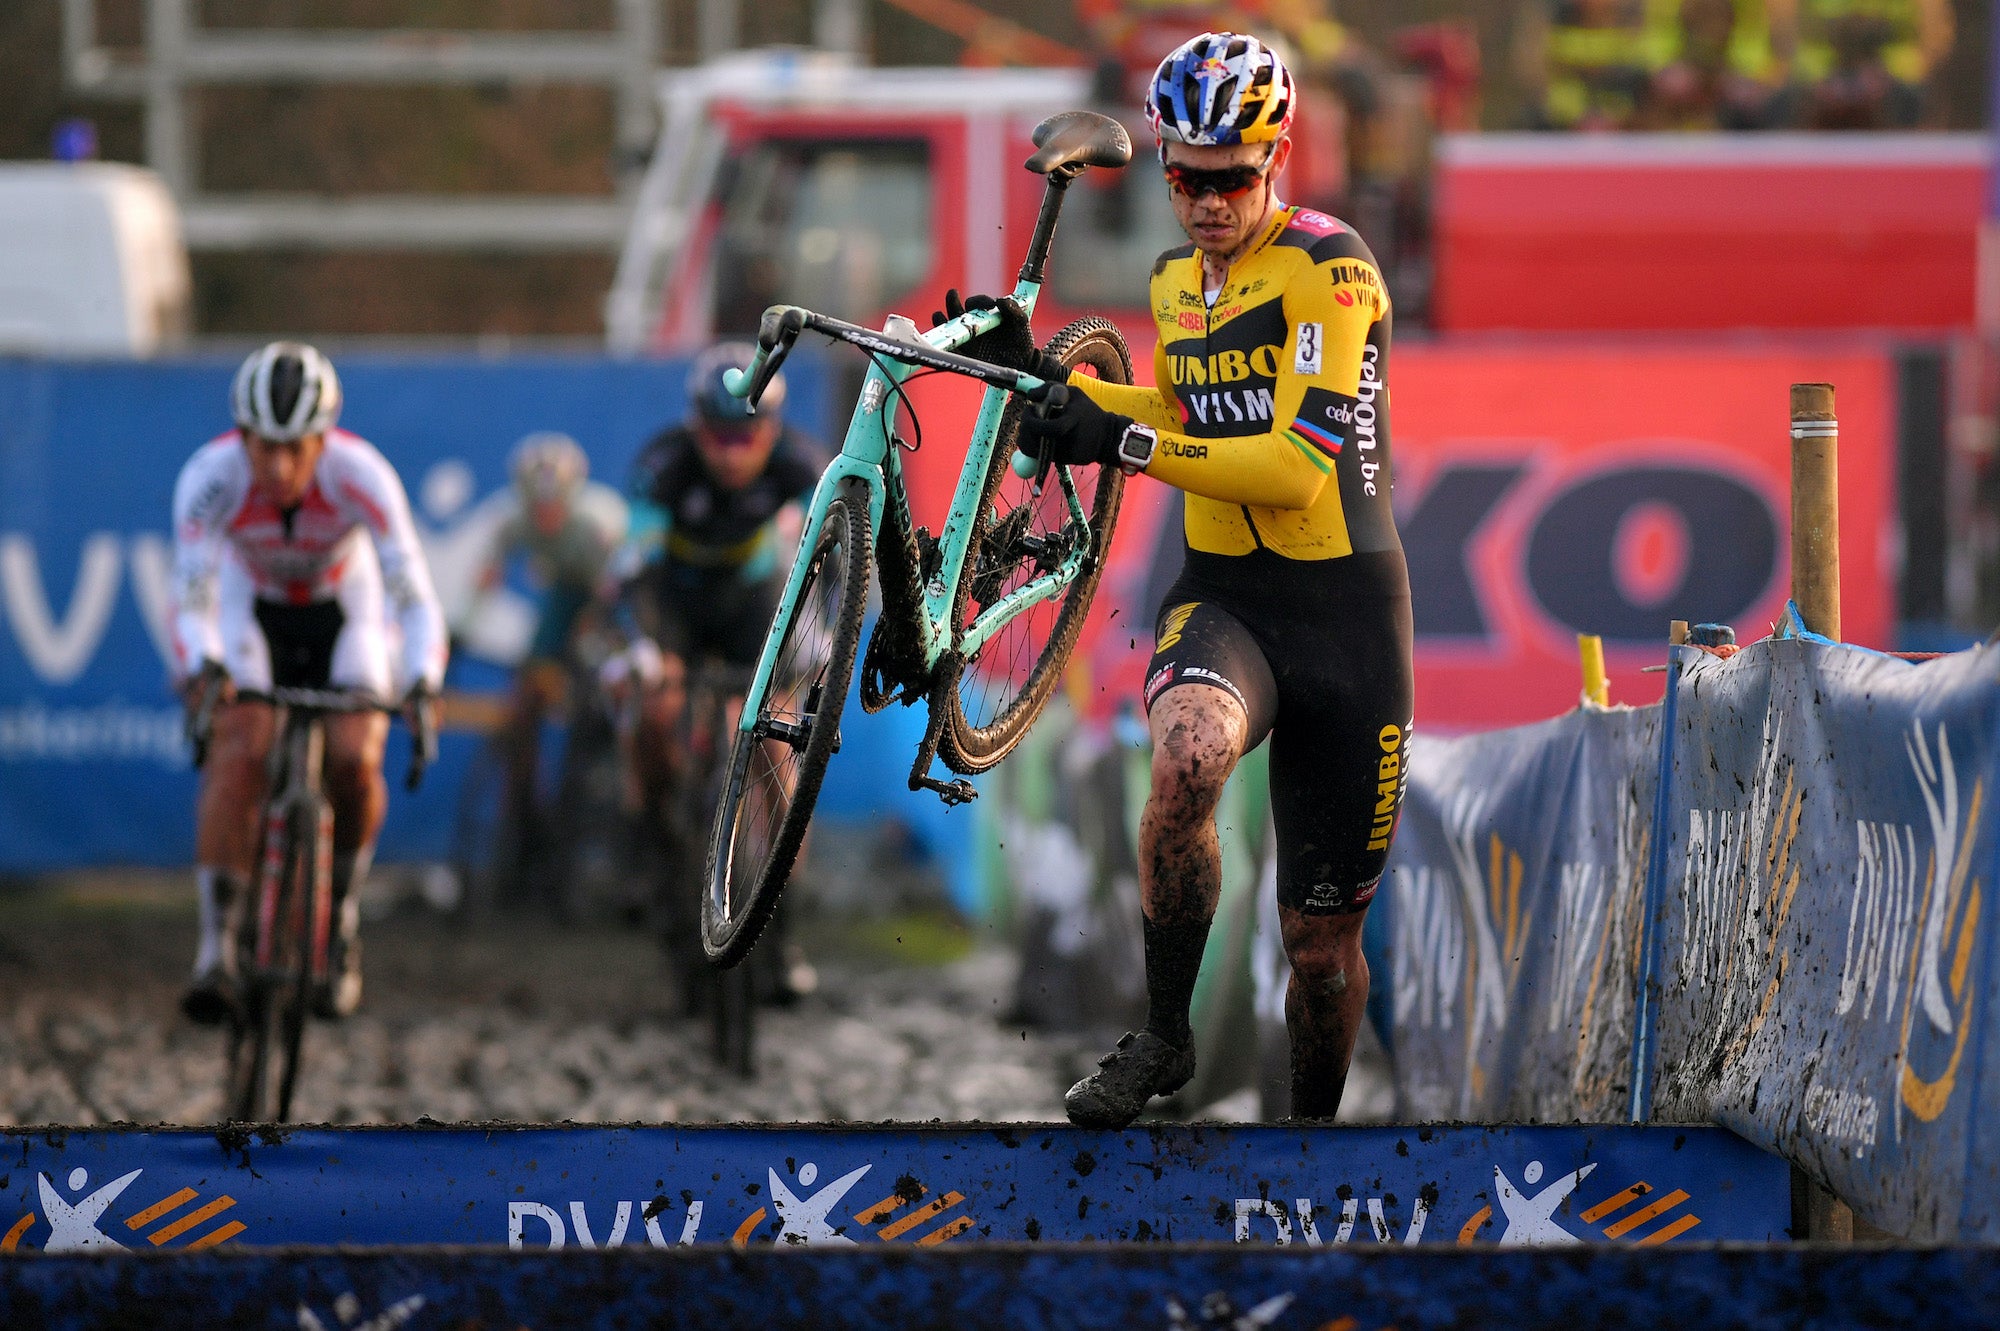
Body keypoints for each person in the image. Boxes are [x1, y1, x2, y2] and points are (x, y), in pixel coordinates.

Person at [1009, 31, 1415, 1126]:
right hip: (1224, 593)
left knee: (1318, 951)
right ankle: (1163, 1034)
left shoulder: (1330, 268)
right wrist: (1077, 406)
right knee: (1184, 756)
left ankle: (1307, 1151)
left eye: (1229, 178)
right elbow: (1184, 416)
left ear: (1273, 159)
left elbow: (1290, 467)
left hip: (1343, 614)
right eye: (1183, 177)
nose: (1204, 202)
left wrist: (1123, 444)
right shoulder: (1172, 280)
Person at [170, 341, 446, 1022]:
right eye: (264, 446)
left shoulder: (361, 474)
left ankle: (340, 918)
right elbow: (192, 599)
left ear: (326, 438)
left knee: (355, 759)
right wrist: (204, 664)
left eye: (297, 447)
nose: (279, 465)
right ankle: (215, 950)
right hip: (248, 608)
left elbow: (411, 592)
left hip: (343, 610)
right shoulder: (210, 477)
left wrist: (421, 679)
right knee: (242, 749)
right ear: (242, 437)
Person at [606, 342, 825, 997]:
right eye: (718, 436)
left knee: (776, 756)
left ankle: (782, 930)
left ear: (774, 429)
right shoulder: (663, 463)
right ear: (695, 427)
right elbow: (634, 570)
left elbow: (835, 568)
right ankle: (657, 852)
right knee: (652, 714)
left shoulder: (802, 466)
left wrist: (811, 654)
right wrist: (649, 650)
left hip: (755, 606)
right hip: (675, 605)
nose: (733, 452)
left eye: (748, 435)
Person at [469, 432, 627, 886]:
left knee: (606, 678)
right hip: (565, 594)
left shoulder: (599, 523)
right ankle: (525, 806)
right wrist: (460, 628)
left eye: (555, 504)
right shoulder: (511, 522)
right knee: (528, 689)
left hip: (608, 599)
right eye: (537, 506)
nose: (546, 515)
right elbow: (487, 577)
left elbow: (614, 595)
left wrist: (593, 641)